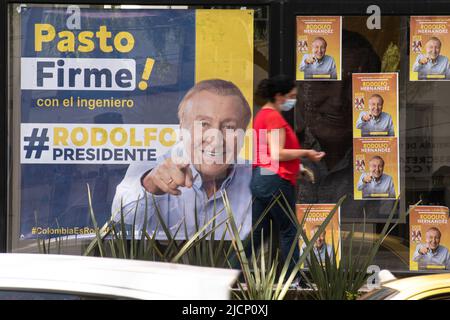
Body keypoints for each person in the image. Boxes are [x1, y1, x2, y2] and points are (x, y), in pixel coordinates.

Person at [112, 79, 252, 240]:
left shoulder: (256, 179)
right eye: (204, 124)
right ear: (181, 130)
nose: (216, 139)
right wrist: (151, 185)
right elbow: (121, 215)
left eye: (229, 127)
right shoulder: (151, 166)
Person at [296, 30, 398, 221]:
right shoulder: (275, 150)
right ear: (301, 89)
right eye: (324, 83)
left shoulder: (390, 161)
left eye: (353, 85)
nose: (337, 101)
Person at [250, 75, 325, 277]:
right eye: (291, 96)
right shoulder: (273, 117)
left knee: (257, 235)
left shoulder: (262, 116)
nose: (294, 101)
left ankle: (229, 272)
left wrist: (297, 169)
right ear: (279, 96)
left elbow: (268, 156)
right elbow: (277, 153)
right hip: (275, 180)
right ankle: (294, 279)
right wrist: (306, 153)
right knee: (289, 231)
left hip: (263, 178)